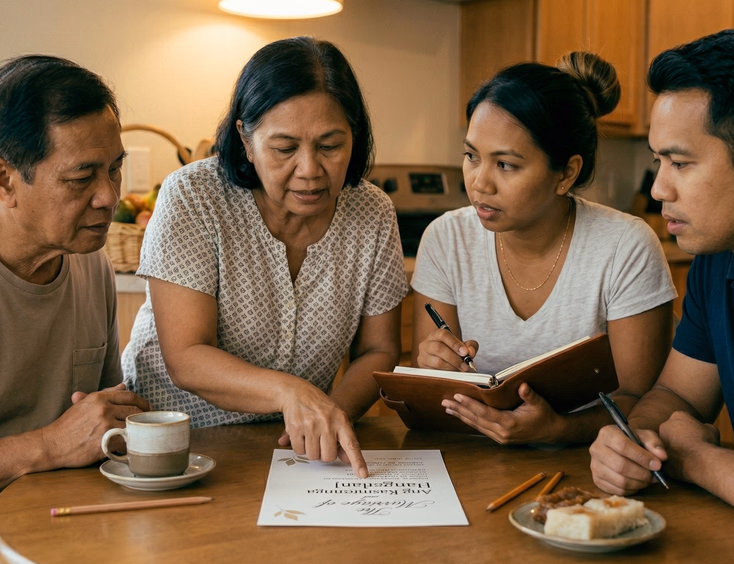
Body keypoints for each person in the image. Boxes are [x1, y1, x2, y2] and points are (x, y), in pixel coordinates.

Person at [122, 37, 407, 478]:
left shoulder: (372, 211)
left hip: (295, 449)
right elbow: (187, 357)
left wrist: (329, 414)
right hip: (174, 445)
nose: (310, 169)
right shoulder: (193, 197)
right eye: (285, 148)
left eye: (330, 145)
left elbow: (379, 348)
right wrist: (293, 393)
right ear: (246, 139)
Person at [411, 52, 676, 445]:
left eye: (505, 164)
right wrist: (434, 369)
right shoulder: (446, 240)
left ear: (566, 173)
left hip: (595, 465)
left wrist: (559, 430)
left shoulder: (625, 247)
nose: (479, 183)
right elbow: (438, 397)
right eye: (471, 156)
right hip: (473, 456)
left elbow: (642, 401)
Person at [589, 30, 734, 505]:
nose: (658, 189)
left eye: (679, 162)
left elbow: (690, 444)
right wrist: (636, 443)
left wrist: (697, 459)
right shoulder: (716, 262)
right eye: (658, 161)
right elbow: (679, 397)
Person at [0, 55, 150, 489]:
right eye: (82, 176)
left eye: (115, 169)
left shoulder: (90, 261)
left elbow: (103, 422)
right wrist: (50, 443)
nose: (109, 196)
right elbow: (66, 441)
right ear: (6, 180)